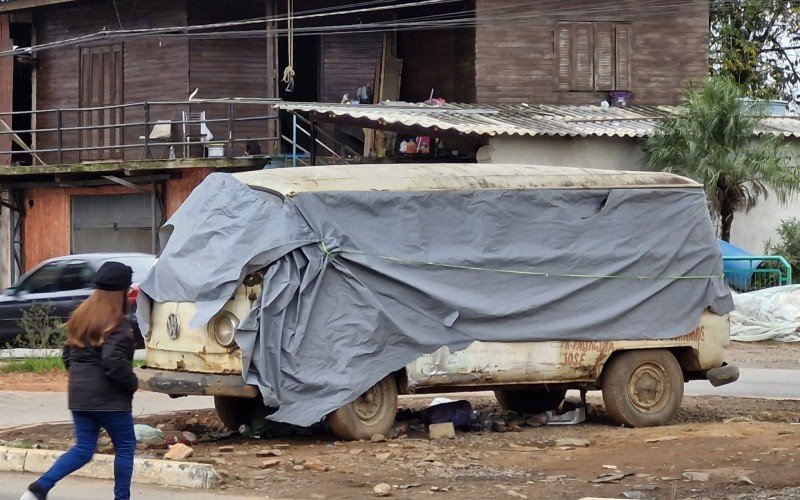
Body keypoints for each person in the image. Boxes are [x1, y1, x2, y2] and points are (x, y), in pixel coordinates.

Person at [21, 262, 139, 500]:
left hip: (79, 396)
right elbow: (112, 361)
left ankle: (38, 489)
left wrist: (81, 380)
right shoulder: (117, 324)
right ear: (121, 292)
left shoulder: (80, 317)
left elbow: (67, 356)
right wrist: (132, 383)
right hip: (110, 400)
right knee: (125, 446)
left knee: (84, 449)